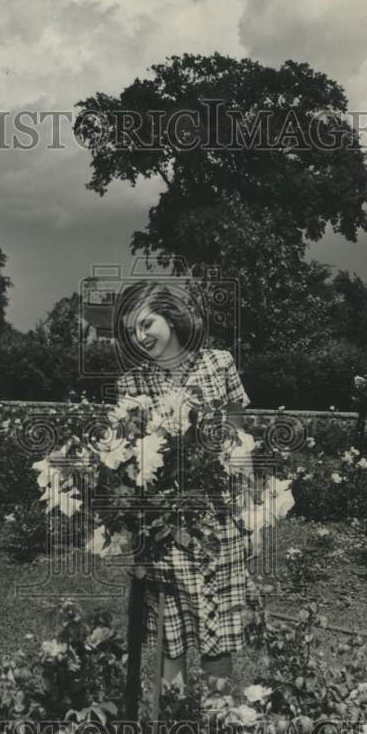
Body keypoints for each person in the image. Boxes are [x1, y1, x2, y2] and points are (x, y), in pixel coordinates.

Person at [115, 281, 254, 691]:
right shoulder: (132, 384)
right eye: (131, 331)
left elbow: (239, 437)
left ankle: (216, 731)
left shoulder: (218, 364)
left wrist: (248, 512)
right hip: (164, 530)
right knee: (168, 641)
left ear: (170, 317)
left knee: (217, 640)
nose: (140, 337)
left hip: (217, 522)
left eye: (146, 323)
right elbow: (128, 462)